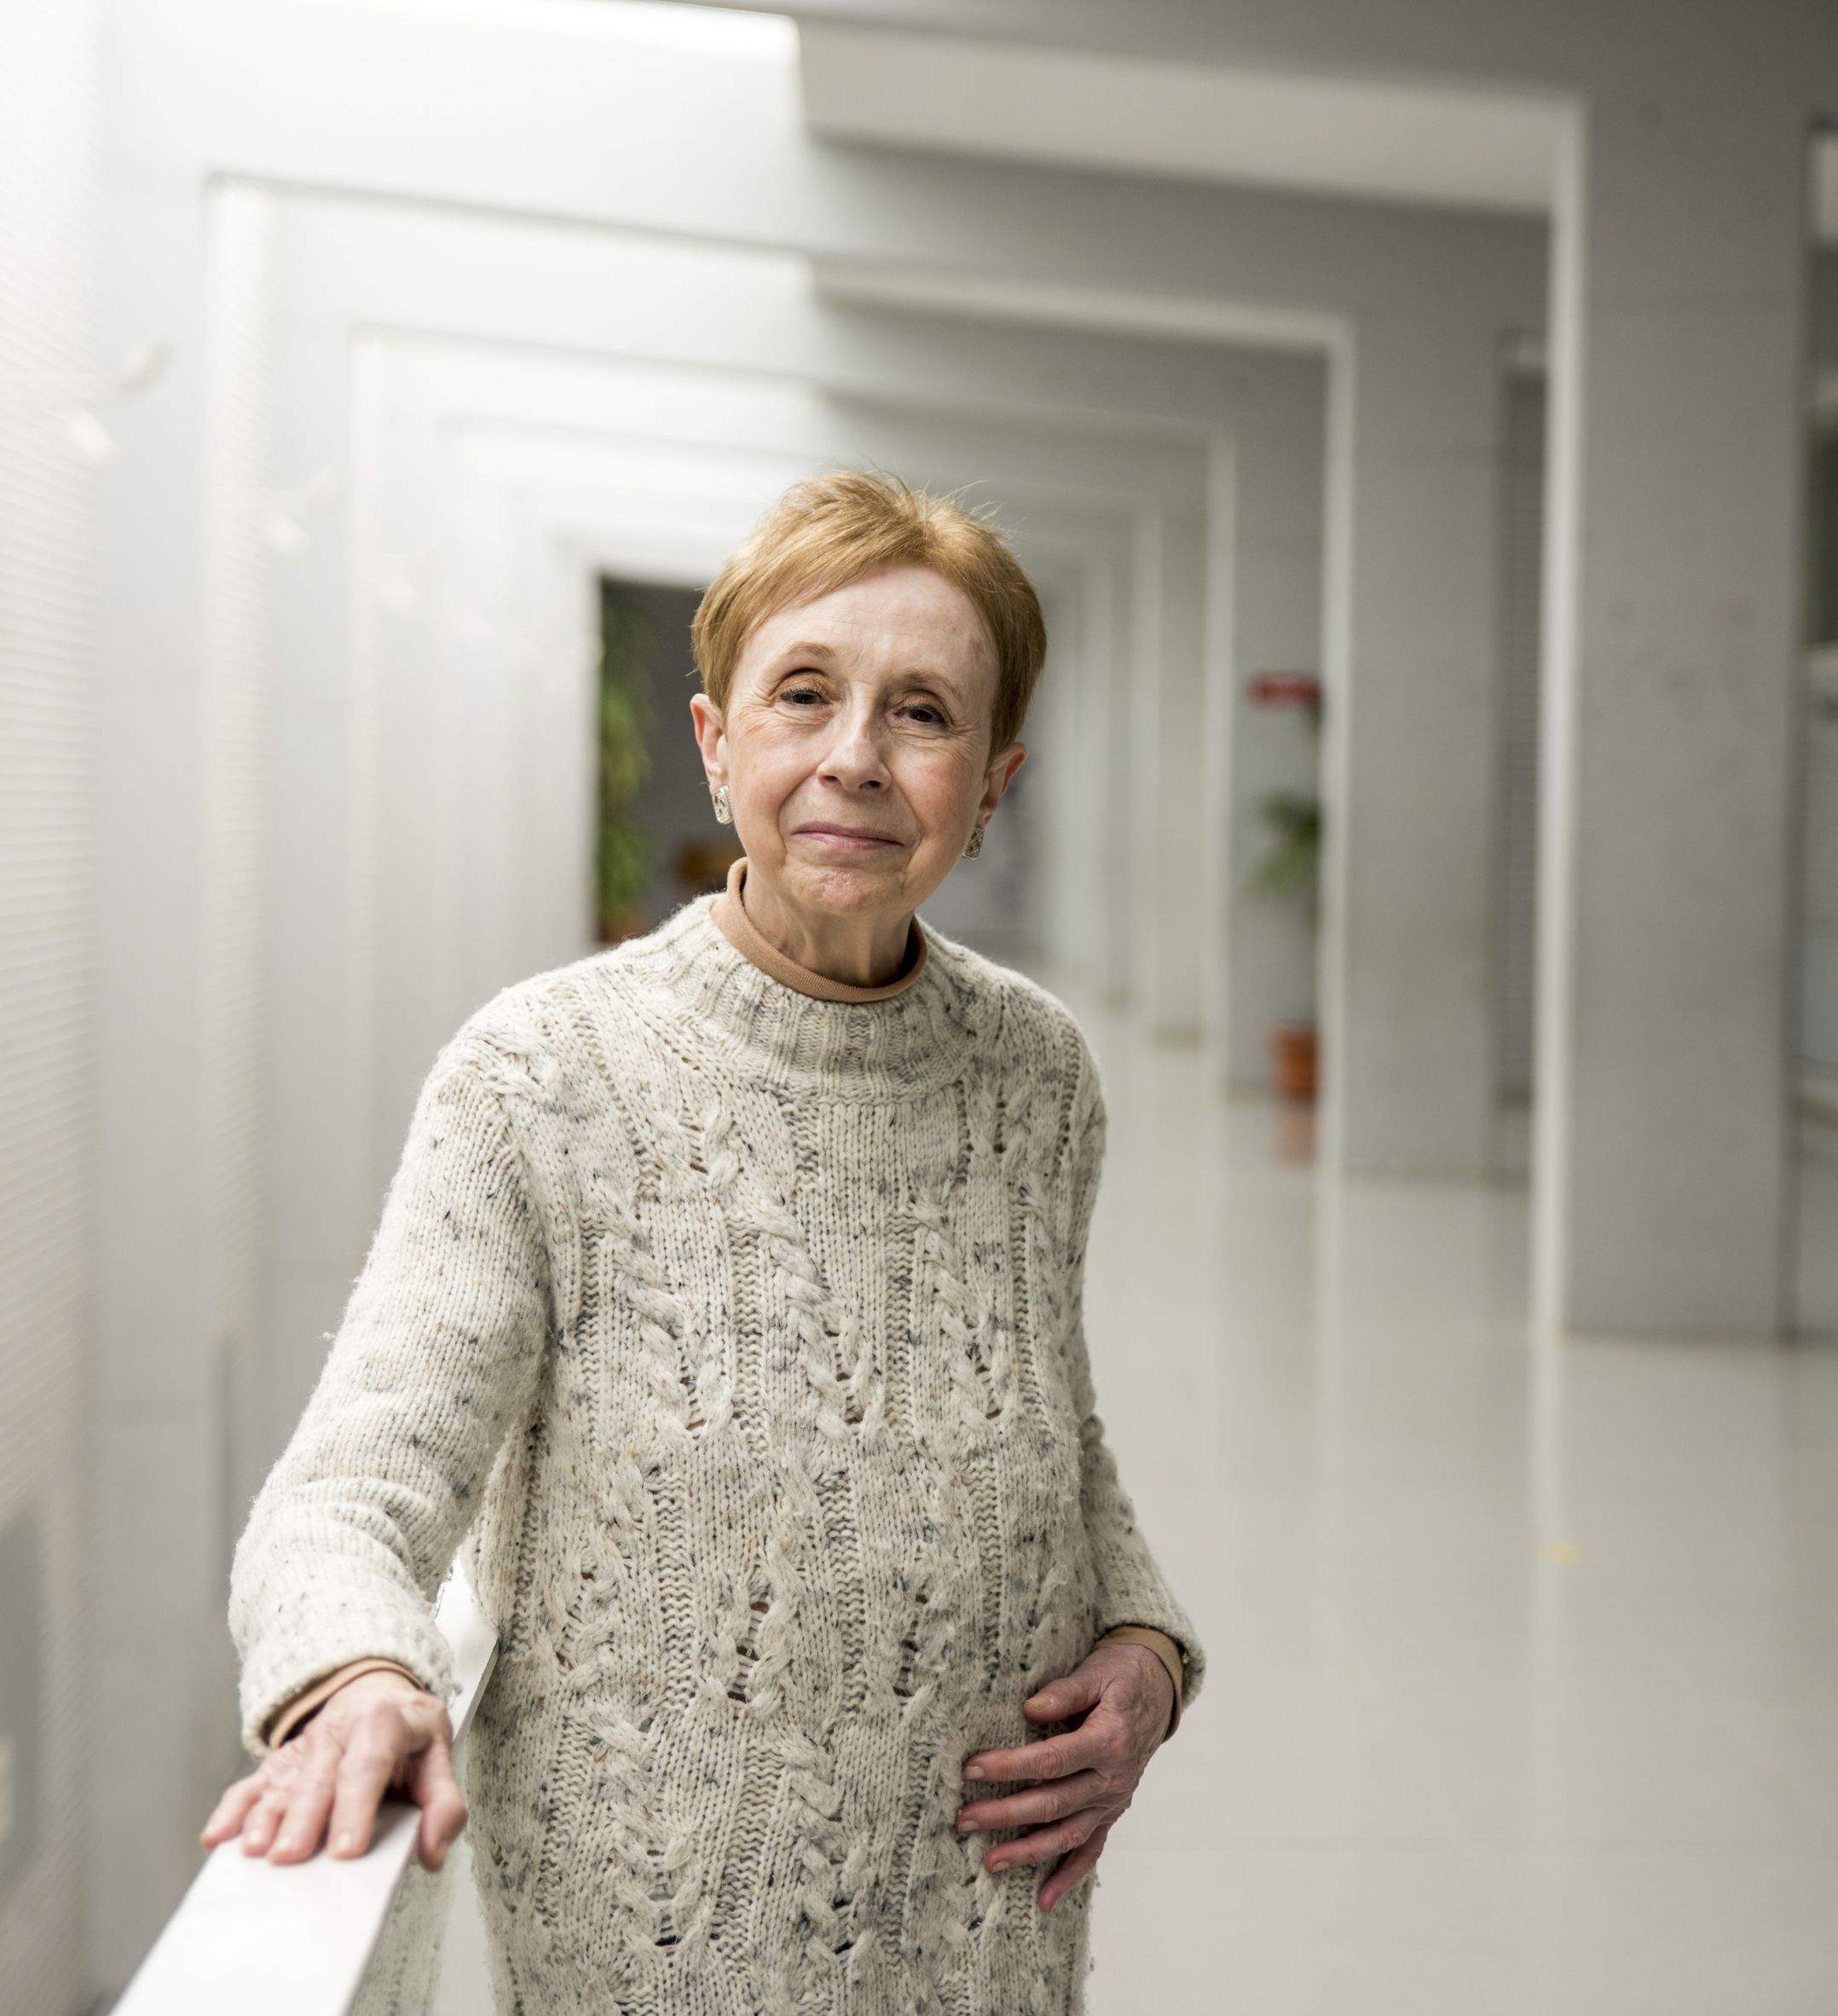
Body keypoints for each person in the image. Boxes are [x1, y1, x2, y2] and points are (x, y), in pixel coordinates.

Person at [200, 468, 1203, 2012]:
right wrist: (356, 1679)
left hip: (992, 1952)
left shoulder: (1037, 1074)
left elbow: (1056, 1433)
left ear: (992, 784)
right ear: (718, 741)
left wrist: (1146, 1644)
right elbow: (350, 1490)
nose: (857, 758)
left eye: (923, 713)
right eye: (805, 694)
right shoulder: (540, 1077)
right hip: (660, 1966)